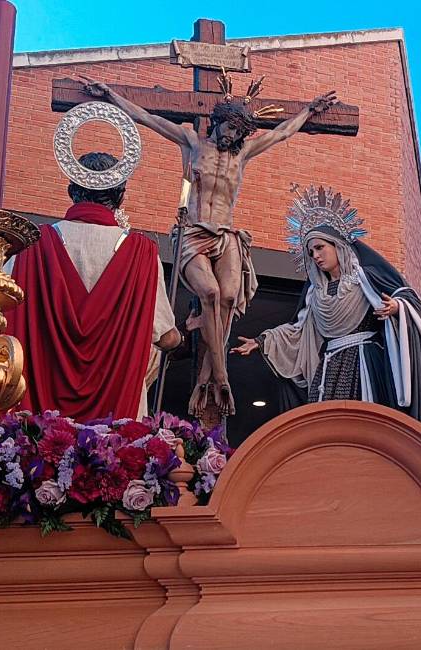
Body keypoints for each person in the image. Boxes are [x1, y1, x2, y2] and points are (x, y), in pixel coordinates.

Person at [80, 73, 338, 417]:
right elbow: (147, 117)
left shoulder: (242, 153)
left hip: (225, 233)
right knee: (211, 293)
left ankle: (206, 378)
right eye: (229, 128)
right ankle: (221, 375)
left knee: (229, 297)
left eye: (239, 132)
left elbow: (281, 133)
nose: (233, 136)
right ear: (218, 121)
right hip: (193, 231)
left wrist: (309, 110)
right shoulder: (192, 142)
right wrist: (110, 94)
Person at [231, 186, 421, 439]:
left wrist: (397, 307)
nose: (315, 256)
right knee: (326, 429)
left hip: (365, 360)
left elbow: (407, 298)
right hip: (329, 366)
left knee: (366, 424)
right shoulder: (316, 293)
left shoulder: (364, 279)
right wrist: (261, 341)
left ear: (337, 246)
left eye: (320, 247)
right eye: (311, 252)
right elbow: (299, 329)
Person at [5, 152, 180, 421]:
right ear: (121, 196)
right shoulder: (141, 254)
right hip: (116, 414)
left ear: (71, 191)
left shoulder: (30, 247)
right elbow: (165, 336)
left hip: (37, 415)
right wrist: (182, 336)